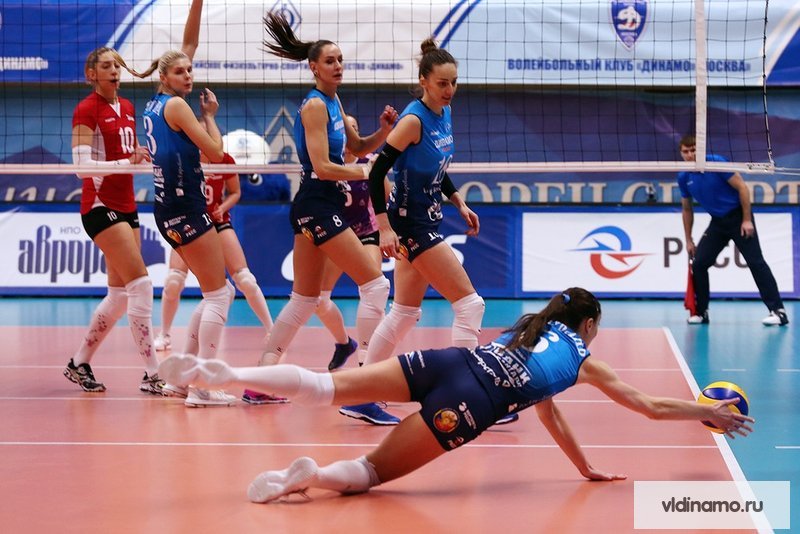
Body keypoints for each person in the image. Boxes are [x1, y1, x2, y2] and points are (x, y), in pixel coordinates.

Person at [157, 287, 755, 504]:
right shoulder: (583, 360)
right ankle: (310, 478)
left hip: (449, 362)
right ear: (591, 324)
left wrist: (583, 464)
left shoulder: (526, 326)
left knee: (325, 385)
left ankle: (229, 374)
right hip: (471, 403)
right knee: (371, 471)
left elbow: (551, 416)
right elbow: (649, 406)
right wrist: (705, 411)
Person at [239, 13, 399, 423]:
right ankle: (363, 389)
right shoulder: (313, 105)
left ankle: (261, 382)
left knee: (305, 299)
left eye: (340, 59)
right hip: (317, 203)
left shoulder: (334, 101)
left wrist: (383, 132)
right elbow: (324, 167)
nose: (338, 65)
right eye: (330, 61)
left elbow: (357, 147)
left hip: (320, 205)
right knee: (376, 286)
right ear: (313, 67)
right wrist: (367, 173)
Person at [357, 38, 499, 424]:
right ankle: (470, 396)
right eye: (442, 83)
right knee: (470, 304)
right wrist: (384, 228)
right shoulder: (413, 121)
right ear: (424, 81)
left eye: (454, 82)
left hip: (426, 218)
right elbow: (376, 172)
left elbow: (436, 166)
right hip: (411, 224)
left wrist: (459, 202)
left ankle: (361, 395)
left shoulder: (444, 113)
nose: (449, 90)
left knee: (404, 312)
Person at [64, 29, 189, 394]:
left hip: (127, 204)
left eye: (117, 65)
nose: (115, 71)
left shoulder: (129, 108)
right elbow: (82, 168)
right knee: (142, 284)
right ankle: (153, 373)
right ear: (92, 74)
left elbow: (127, 155)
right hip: (99, 206)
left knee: (119, 294)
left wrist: (138, 157)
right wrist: (124, 162)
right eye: (107, 66)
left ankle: (79, 362)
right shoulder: (86, 109)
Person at [138, 0, 238, 407]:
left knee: (215, 292)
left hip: (168, 209)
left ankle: (183, 381)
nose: (188, 74)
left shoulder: (155, 103)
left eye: (190, 70)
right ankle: (202, 387)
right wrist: (210, 116)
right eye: (180, 72)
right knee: (221, 294)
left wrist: (196, 4)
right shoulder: (179, 105)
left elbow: (188, 45)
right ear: (165, 76)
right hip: (186, 207)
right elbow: (215, 153)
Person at [153, 149, 275, 355]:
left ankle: (272, 331)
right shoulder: (182, 156)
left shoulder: (224, 159)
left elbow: (235, 192)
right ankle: (164, 334)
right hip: (190, 222)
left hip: (217, 223)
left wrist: (222, 207)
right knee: (173, 281)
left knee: (245, 279)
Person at [678, 135, 788, 326]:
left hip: (738, 218)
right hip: (718, 223)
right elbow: (687, 209)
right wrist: (688, 240)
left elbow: (742, 188)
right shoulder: (683, 176)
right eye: (685, 151)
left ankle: (778, 311)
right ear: (681, 153)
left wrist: (747, 220)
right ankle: (702, 313)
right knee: (699, 264)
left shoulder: (717, 163)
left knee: (756, 262)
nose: (690, 154)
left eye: (693, 150)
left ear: (701, 149)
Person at [315, 114, 390, 372]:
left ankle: (367, 360)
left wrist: (387, 228)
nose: (350, 133)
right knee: (317, 300)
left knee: (373, 290)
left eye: (354, 128)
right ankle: (344, 343)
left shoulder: (370, 161)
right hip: (338, 235)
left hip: (367, 233)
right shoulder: (327, 164)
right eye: (346, 128)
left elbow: (386, 195)